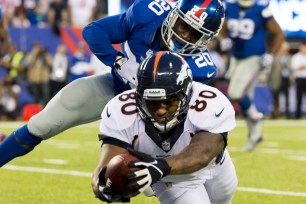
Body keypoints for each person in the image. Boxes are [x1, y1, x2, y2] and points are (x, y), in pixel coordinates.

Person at [0, 0, 225, 167]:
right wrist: (117, 62)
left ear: (206, 40)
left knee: (155, 180)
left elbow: (192, 122)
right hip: (116, 89)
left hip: (156, 121)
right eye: (183, 25)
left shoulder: (201, 69)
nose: (183, 36)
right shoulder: (147, 14)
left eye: (195, 35)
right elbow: (94, 31)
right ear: (175, 14)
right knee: (44, 122)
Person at [92, 51, 237, 204]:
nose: (160, 110)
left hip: (214, 167)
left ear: (186, 94)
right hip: (172, 180)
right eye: (152, 102)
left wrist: (161, 166)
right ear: (139, 97)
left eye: (169, 102)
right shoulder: (121, 109)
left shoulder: (208, 101)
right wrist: (100, 183)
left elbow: (203, 152)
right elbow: (108, 161)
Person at [219, 0, 285, 151]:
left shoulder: (261, 9)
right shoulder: (229, 7)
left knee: (236, 93)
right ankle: (254, 136)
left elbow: (279, 33)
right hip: (236, 57)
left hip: (254, 58)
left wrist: (271, 54)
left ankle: (256, 118)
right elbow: (221, 26)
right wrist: (224, 38)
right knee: (244, 97)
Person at [269, 41, 292, 119]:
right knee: (275, 99)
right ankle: (275, 114)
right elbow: (271, 70)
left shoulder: (289, 57)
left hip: (286, 80)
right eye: (283, 48)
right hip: (276, 80)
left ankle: (287, 114)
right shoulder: (274, 57)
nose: (284, 50)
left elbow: (291, 69)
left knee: (287, 98)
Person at [291, 42, 306, 119]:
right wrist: (302, 67)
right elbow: (294, 68)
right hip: (299, 79)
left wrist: (301, 67)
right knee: (299, 97)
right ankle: (298, 115)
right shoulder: (296, 57)